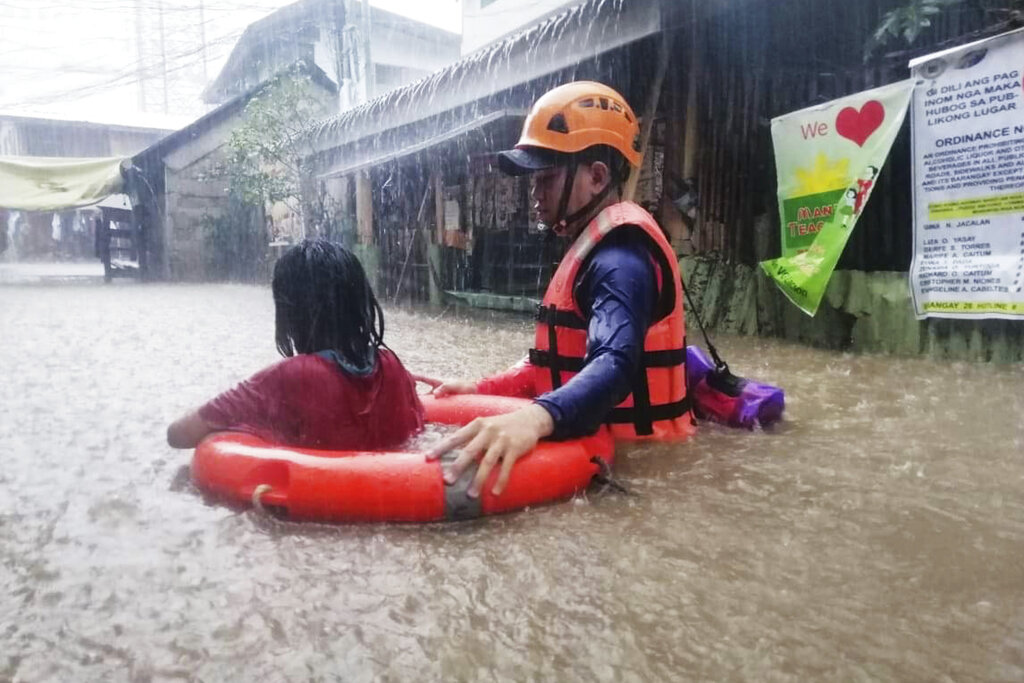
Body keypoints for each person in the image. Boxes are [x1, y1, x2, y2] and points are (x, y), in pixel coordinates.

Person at [421, 81, 694, 499]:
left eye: (545, 180)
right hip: (611, 452)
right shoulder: (593, 248)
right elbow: (556, 365)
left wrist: (534, 419)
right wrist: (480, 388)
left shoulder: (620, 261)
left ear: (597, 177)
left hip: (643, 470)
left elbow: (615, 362)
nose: (534, 195)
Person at [167, 239, 424, 451]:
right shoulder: (392, 368)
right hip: (392, 495)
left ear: (289, 313)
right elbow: (418, 427)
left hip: (320, 506)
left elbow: (178, 435)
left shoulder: (292, 376)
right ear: (361, 302)